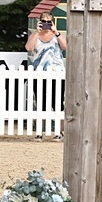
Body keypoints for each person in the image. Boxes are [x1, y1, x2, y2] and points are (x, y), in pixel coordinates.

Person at [25, 12, 66, 140]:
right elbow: (29, 48)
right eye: (44, 21)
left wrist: (56, 32)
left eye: (49, 21)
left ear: (53, 22)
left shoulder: (57, 35)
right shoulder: (35, 35)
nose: (46, 24)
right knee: (40, 103)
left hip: (57, 73)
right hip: (40, 73)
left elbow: (65, 47)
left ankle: (59, 132)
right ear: (40, 22)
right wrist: (37, 32)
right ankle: (39, 131)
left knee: (58, 102)